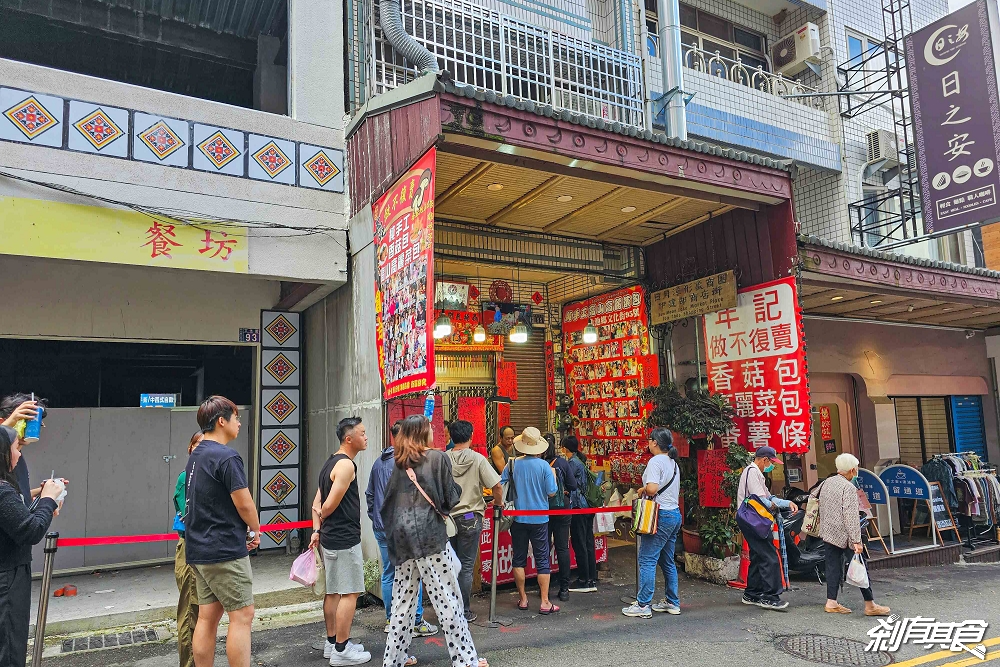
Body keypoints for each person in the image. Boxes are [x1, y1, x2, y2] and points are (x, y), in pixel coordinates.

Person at [380, 415, 487, 667]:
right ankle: (466, 660)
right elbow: (450, 498)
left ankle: (394, 659)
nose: (434, 429)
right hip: (430, 539)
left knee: (402, 603)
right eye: (430, 427)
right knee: (448, 600)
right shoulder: (437, 458)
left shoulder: (398, 463)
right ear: (422, 432)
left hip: (403, 541)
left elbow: (386, 503)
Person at [184, 396, 259, 667]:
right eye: (236, 417)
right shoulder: (226, 456)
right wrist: (255, 528)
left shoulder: (197, 455)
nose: (239, 422)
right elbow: (243, 501)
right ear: (221, 421)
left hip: (199, 548)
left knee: (208, 617)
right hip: (224, 548)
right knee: (242, 615)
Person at [366, 420, 437, 638]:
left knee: (389, 574)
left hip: (382, 527)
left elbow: (370, 495)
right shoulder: (407, 463)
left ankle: (391, 619)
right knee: (413, 574)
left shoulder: (379, 462)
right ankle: (415, 622)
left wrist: (376, 517)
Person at [310, 417, 372, 666]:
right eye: (362, 433)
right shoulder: (346, 466)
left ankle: (333, 642)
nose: (366, 437)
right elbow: (327, 505)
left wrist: (317, 529)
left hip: (331, 537)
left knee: (334, 591)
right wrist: (322, 517)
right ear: (349, 439)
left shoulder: (330, 463)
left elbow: (316, 504)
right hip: (344, 537)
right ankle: (342, 650)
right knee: (350, 592)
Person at [0, 424, 63, 667]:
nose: (19, 454)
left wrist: (47, 502)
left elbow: (21, 519)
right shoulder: (3, 492)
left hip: (11, 573)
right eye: (16, 448)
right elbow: (30, 530)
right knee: (10, 645)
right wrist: (47, 498)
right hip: (8, 578)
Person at [814, 453, 891, 617]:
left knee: (832, 566)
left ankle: (831, 602)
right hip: (844, 535)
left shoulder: (828, 482)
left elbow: (814, 495)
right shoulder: (848, 488)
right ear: (852, 470)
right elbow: (850, 516)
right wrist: (856, 540)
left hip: (828, 532)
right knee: (860, 566)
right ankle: (870, 605)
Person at [622, 428, 682, 618]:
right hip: (673, 514)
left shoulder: (656, 461)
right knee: (667, 560)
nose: (648, 443)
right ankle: (672, 602)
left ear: (655, 442)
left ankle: (643, 604)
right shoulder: (673, 463)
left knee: (647, 559)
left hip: (660, 515)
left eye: (649, 440)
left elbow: (653, 488)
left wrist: (642, 490)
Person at [447, 420, 502, 620]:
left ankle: (450, 609)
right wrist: (497, 504)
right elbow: (497, 485)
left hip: (448, 520)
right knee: (467, 566)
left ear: (450, 437)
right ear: (471, 435)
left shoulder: (443, 459)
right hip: (471, 517)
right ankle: (464, 610)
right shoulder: (478, 459)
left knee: (450, 565)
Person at [500, 427, 559, 613]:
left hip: (517, 518)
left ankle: (523, 599)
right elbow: (552, 492)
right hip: (540, 518)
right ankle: (544, 602)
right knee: (542, 560)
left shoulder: (511, 464)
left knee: (518, 559)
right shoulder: (544, 467)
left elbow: (501, 488)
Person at [735, 445, 797, 611]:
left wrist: (786, 503)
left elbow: (768, 497)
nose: (772, 466)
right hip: (753, 519)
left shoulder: (755, 473)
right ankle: (770, 596)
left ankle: (752, 593)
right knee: (769, 555)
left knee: (758, 555)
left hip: (749, 519)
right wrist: (778, 506)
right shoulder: (753, 472)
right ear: (764, 460)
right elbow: (763, 500)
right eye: (771, 462)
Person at [174, 431, 203, 667]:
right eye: (198, 444)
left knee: (201, 611)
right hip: (191, 548)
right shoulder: (187, 478)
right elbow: (191, 516)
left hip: (203, 549)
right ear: (190, 448)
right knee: (190, 612)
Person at [542, 433, 575, 602]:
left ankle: (544, 590)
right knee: (562, 548)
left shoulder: (538, 463)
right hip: (563, 508)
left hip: (543, 510)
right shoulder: (562, 463)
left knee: (544, 549)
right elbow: (573, 485)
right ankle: (564, 589)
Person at [562, 436, 598, 594]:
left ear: (565, 448)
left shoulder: (572, 463)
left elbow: (570, 485)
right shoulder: (580, 460)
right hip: (587, 506)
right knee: (588, 541)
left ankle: (584, 579)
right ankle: (591, 576)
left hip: (578, 506)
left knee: (580, 542)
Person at [0, 394, 48, 507]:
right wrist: (6, 427)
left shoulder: (18, 458)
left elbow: (12, 501)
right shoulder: (3, 458)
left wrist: (45, 496)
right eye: (22, 420)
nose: (27, 426)